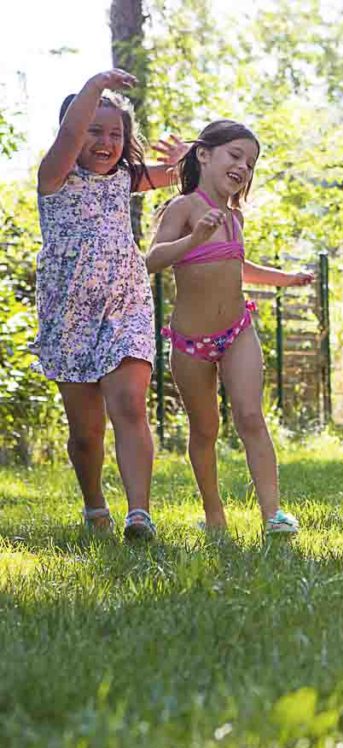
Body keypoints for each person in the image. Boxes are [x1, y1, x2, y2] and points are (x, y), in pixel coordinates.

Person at [32, 68, 188, 540]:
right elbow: (70, 134)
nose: (106, 142)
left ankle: (139, 513)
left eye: (116, 134)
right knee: (86, 433)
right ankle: (94, 505)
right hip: (68, 315)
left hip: (126, 305)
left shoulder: (123, 178)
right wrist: (96, 86)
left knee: (129, 405)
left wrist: (190, 158)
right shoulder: (54, 177)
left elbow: (185, 174)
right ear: (74, 132)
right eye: (95, 131)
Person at [147, 120, 313, 535]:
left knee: (250, 416)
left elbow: (238, 266)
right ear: (204, 154)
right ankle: (214, 516)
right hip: (190, 342)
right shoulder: (183, 207)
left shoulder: (235, 216)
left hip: (237, 330)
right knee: (205, 429)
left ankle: (273, 514)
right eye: (235, 155)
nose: (243, 167)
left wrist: (285, 277)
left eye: (251, 163)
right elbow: (151, 260)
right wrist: (192, 239)